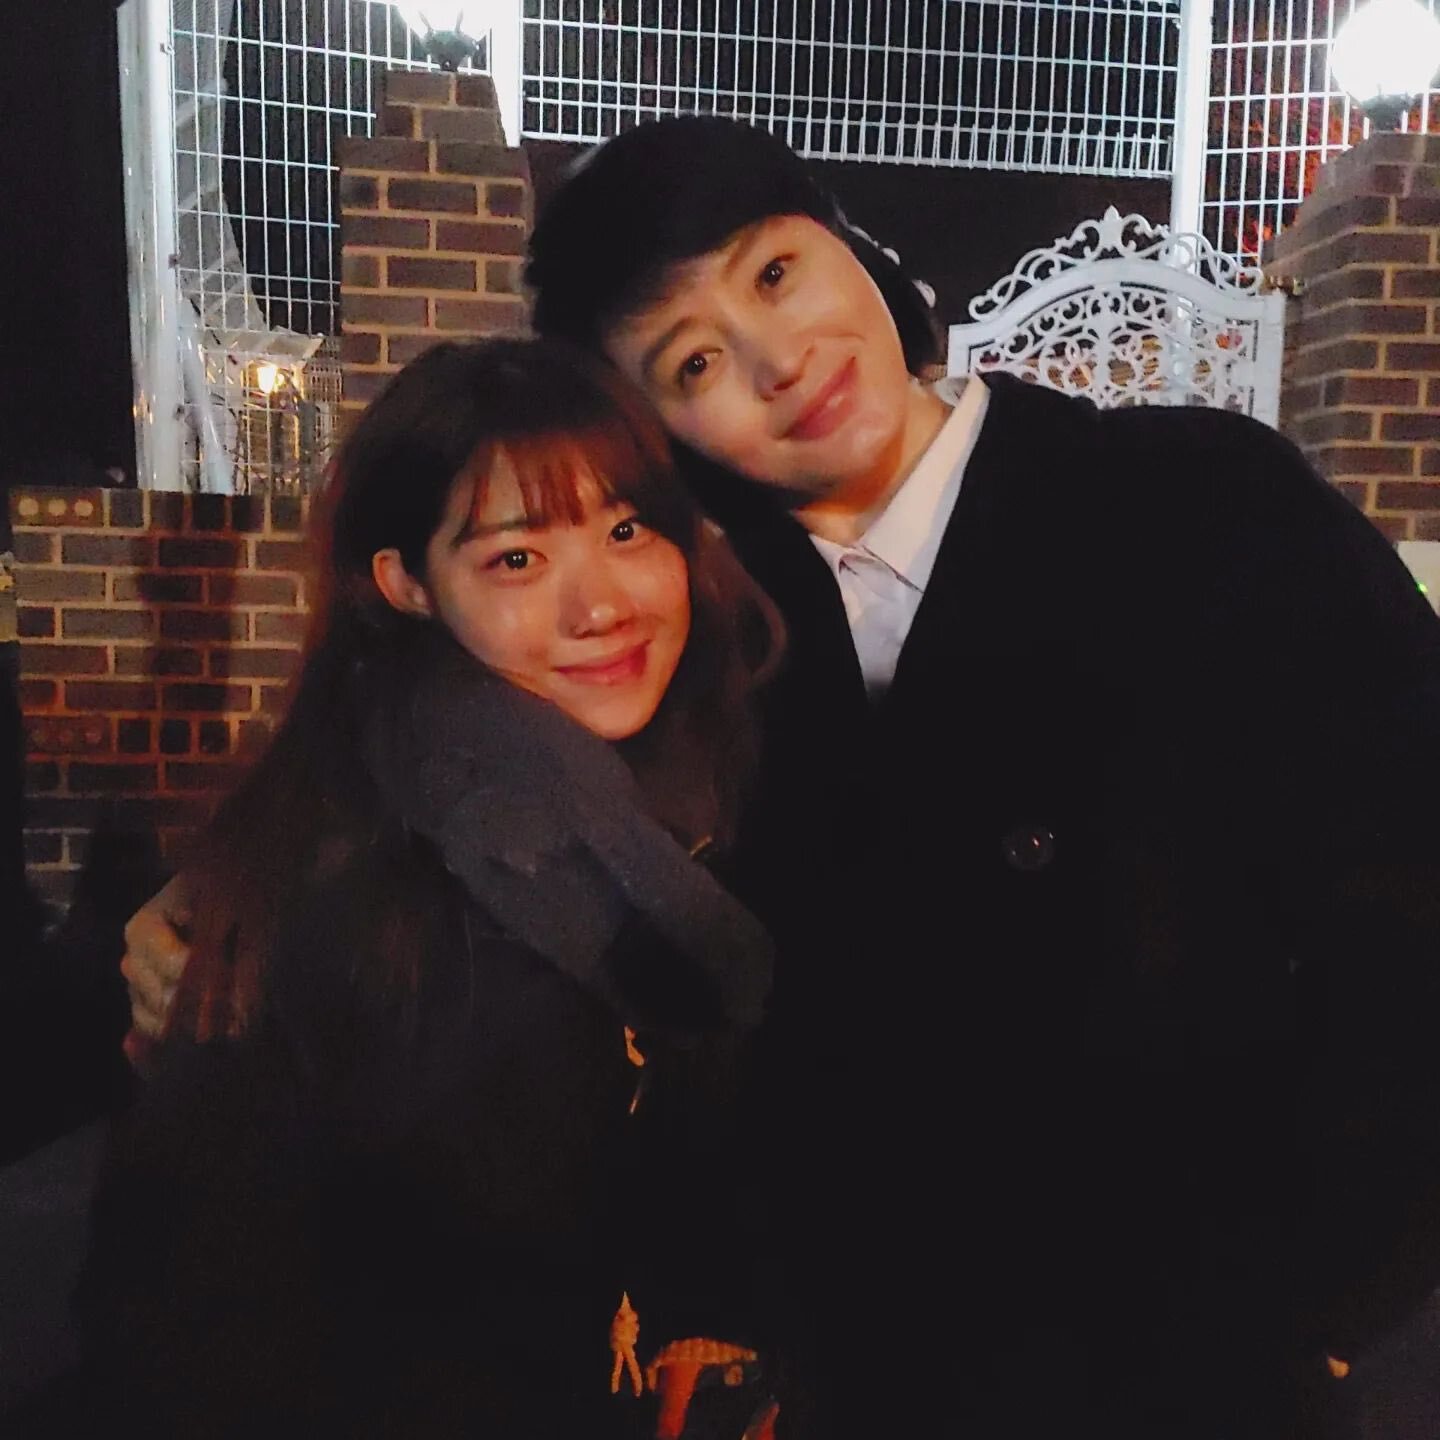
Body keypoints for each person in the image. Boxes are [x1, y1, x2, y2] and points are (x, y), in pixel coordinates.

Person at [128, 118, 1440, 1437]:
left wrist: (1324, 1293)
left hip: (1189, 1360)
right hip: (845, 1370)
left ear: (850, 247)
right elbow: (472, 763)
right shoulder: (704, 615)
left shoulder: (1201, 507)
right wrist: (238, 907)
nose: (778, 360)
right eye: (693, 361)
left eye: (773, 273)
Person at [79, 337, 781, 1439]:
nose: (601, 606)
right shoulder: (352, 892)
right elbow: (190, 1319)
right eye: (517, 559)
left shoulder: (709, 787)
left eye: (626, 532)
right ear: (406, 584)